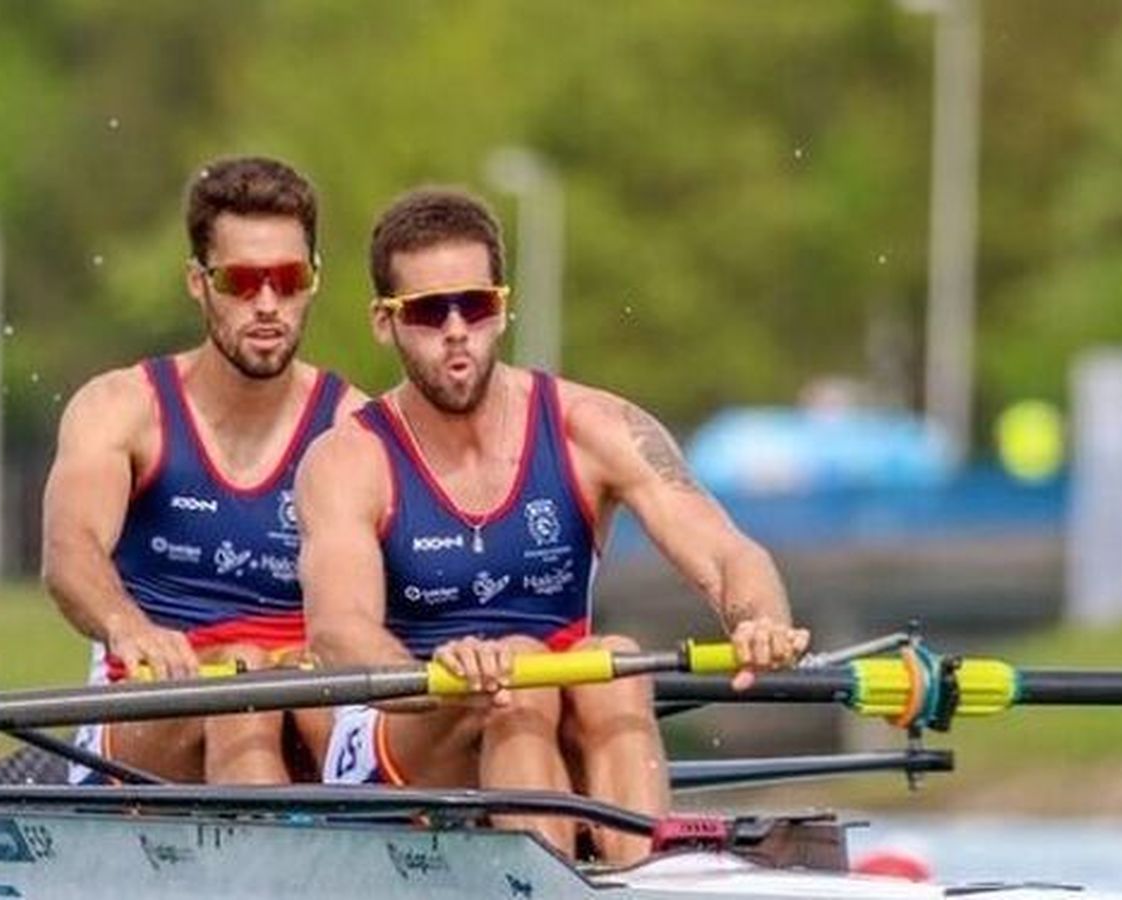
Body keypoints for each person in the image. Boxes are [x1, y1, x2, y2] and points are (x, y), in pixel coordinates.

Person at [298, 187, 809, 863]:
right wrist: (436, 673)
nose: (456, 329)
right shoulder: (348, 459)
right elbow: (338, 630)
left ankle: (641, 874)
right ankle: (547, 871)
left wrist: (758, 621)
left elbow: (727, 555)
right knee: (523, 680)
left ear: (502, 307)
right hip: (408, 723)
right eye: (427, 311)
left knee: (617, 663)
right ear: (383, 322)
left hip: (554, 697)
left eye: (475, 306)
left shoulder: (593, 426)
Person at [41, 156, 364, 784]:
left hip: (308, 695)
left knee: (282, 684)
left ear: (314, 278)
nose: (268, 304)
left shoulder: (355, 427)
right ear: (198, 281)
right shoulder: (122, 410)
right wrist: (128, 627)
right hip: (156, 704)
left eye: (289, 278)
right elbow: (69, 553)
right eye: (242, 281)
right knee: (243, 687)